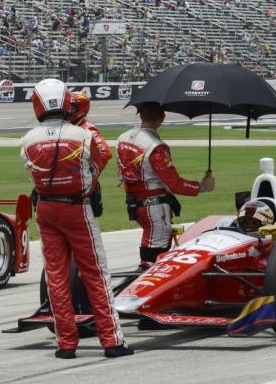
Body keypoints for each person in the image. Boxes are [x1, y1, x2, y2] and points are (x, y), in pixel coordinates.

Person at [20, 78, 132, 360]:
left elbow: (31, 173)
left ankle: (66, 344)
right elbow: (95, 166)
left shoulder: (27, 140)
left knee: (56, 277)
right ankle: (112, 341)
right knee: (95, 273)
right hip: (77, 207)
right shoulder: (84, 136)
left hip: (46, 209)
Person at [117, 103, 213, 267]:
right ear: (162, 118)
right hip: (153, 207)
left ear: (140, 115)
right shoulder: (156, 147)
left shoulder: (123, 138)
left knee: (149, 252)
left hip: (134, 203)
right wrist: (203, 186)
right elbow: (174, 184)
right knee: (154, 260)